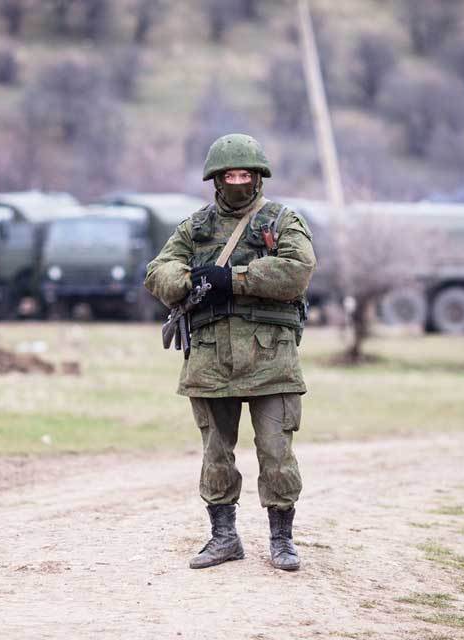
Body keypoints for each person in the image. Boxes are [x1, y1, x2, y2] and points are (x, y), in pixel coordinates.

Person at [144, 133, 316, 571]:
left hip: (271, 359)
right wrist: (190, 281)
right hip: (210, 358)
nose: (238, 181)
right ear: (216, 180)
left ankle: (282, 540)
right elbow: (157, 272)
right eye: (230, 175)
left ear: (258, 178)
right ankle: (224, 538)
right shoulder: (195, 227)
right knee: (215, 454)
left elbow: (297, 270)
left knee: (277, 454)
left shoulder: (281, 220)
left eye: (246, 174)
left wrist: (233, 280)